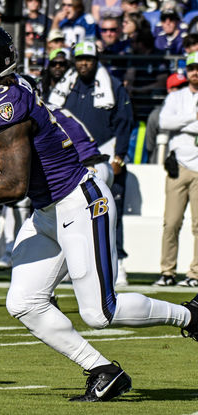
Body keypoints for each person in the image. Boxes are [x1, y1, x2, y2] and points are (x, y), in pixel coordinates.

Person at [0, 23, 198, 402]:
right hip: (50, 209)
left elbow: (14, 183)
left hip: (80, 202)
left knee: (101, 312)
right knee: (24, 302)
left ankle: (191, 316)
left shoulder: (7, 104)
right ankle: (102, 370)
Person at [48, 41, 133, 285]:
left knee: (111, 212)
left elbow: (125, 122)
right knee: (72, 211)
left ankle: (119, 264)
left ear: (97, 61)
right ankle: (69, 265)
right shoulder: (66, 87)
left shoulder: (113, 86)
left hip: (105, 156)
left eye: (89, 59)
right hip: (73, 160)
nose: (84, 63)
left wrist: (120, 156)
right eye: (80, 59)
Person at [156, 53, 198, 287]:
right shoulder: (177, 96)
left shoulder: (177, 101)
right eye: (192, 67)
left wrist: (181, 122)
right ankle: (167, 271)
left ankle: (195, 274)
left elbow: (173, 123)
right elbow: (164, 122)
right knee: (171, 222)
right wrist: (193, 117)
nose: (195, 72)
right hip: (179, 166)